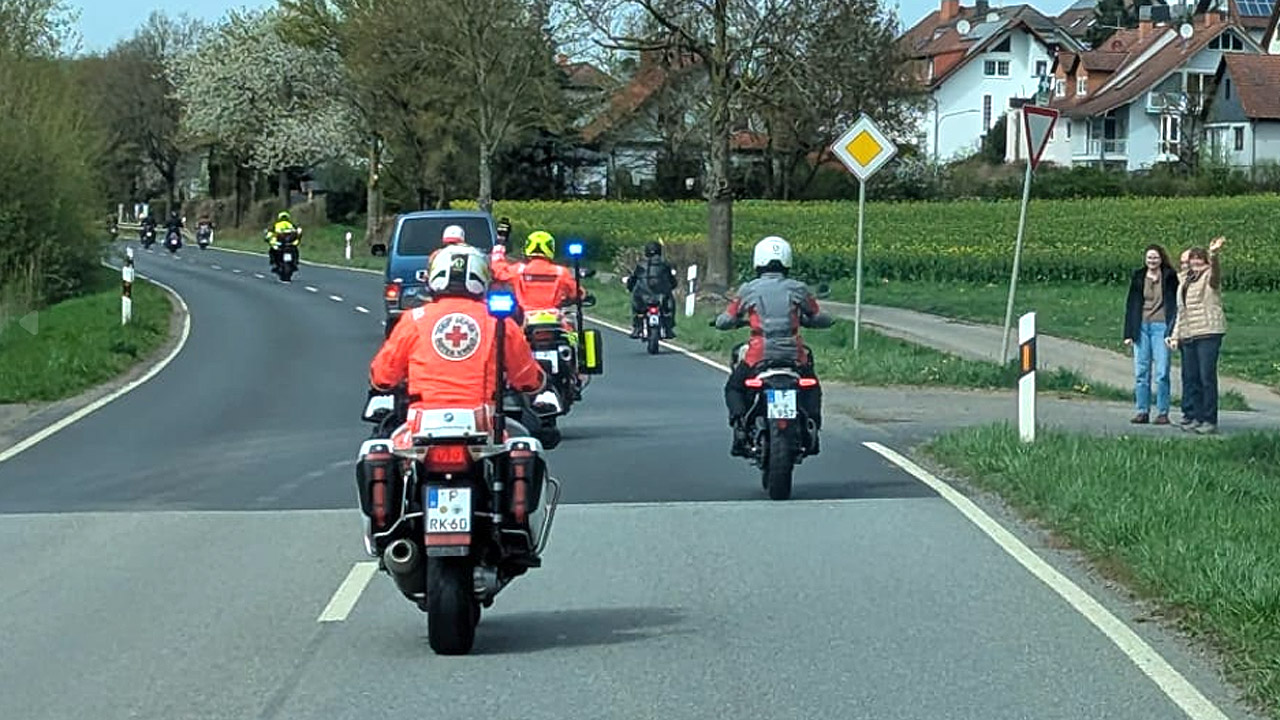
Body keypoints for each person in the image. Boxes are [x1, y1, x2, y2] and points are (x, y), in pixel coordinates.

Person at [368, 244, 547, 436]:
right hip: (484, 420)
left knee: (381, 447)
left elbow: (383, 376)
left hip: (421, 420)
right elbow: (526, 377)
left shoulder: (414, 319)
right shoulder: (499, 321)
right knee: (526, 447)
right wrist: (536, 384)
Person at [713, 236, 833, 457]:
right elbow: (819, 316)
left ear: (758, 260)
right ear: (787, 260)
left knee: (734, 387)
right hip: (793, 356)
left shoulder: (748, 290)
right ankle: (812, 425)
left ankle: (740, 426)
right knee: (812, 386)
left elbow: (725, 320)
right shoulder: (798, 289)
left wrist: (728, 321)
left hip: (759, 355)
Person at [1167, 236, 1227, 435]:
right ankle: (1196, 417)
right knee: (1191, 377)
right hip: (1189, 333)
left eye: (1199, 258)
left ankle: (1210, 420)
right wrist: (1176, 335)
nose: (1195, 262)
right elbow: (1181, 311)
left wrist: (1214, 253)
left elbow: (1216, 274)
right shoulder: (1184, 280)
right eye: (1192, 259)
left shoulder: (1210, 276)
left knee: (1206, 377)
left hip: (1208, 332)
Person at [1123, 244, 1179, 424]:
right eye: (1149, 258)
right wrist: (1129, 332)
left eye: (1155, 257)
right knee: (1141, 371)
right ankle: (1142, 411)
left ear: (1161, 258)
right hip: (1141, 326)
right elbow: (1131, 304)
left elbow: (1177, 303)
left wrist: (1174, 330)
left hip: (1161, 327)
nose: (1152, 261)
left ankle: (1163, 412)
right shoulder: (1138, 276)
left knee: (1162, 372)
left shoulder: (1170, 276)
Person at [490, 230, 585, 323]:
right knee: (571, 332)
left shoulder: (519, 270)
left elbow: (498, 271)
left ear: (528, 247)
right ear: (550, 248)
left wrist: (499, 245)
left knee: (508, 333)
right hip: (554, 320)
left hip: (525, 319)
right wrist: (583, 294)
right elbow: (576, 293)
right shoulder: (561, 272)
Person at [625, 241, 679, 339]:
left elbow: (633, 279)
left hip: (642, 297)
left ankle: (637, 328)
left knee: (637, 309)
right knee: (669, 308)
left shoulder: (641, 265)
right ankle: (668, 329)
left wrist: (630, 287)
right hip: (661, 297)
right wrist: (672, 286)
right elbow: (672, 280)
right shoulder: (664, 265)